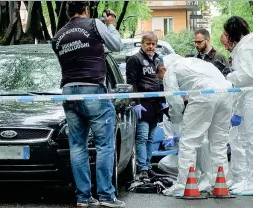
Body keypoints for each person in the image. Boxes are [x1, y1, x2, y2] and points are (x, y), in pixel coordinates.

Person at [51, 1, 124, 207]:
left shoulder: (58, 36)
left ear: (67, 13)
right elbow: (117, 46)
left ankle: (83, 197)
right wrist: (109, 24)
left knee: (77, 146)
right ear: (86, 10)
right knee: (104, 145)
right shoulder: (94, 24)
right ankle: (106, 196)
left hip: (68, 92)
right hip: (93, 90)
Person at [158, 54, 233, 196]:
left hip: (203, 94)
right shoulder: (198, 63)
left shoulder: (171, 70)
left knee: (188, 141)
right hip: (226, 93)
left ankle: (184, 185)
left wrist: (176, 118)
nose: (161, 79)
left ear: (163, 68)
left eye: (160, 76)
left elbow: (174, 100)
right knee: (219, 142)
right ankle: (218, 183)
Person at [220, 16, 253, 196]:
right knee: (249, 140)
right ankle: (250, 180)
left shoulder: (246, 48)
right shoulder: (252, 46)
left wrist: (230, 76)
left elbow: (247, 76)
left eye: (227, 34)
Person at [125, 32, 166, 180]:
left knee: (150, 138)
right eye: (148, 43)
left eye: (153, 44)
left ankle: (148, 167)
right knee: (142, 137)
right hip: (142, 103)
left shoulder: (157, 60)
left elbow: (160, 81)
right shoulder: (135, 60)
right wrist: (135, 103)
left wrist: (163, 101)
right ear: (142, 44)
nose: (151, 46)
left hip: (155, 104)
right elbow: (131, 83)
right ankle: (142, 168)